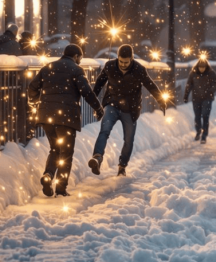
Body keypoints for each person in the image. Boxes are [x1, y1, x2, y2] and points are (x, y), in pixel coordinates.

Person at [27, 44, 103, 196]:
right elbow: (86, 91)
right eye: (80, 58)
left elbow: (32, 86)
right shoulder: (76, 70)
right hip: (66, 117)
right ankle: (61, 189)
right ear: (76, 56)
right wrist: (98, 108)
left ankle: (48, 175)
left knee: (55, 149)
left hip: (46, 117)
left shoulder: (48, 67)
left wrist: (37, 100)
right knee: (66, 153)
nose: (80, 61)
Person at [88, 45, 168, 176]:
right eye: (120, 61)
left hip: (130, 109)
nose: (123, 65)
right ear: (117, 58)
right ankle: (97, 158)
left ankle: (122, 166)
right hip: (112, 104)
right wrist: (93, 100)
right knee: (104, 130)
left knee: (129, 139)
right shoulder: (109, 66)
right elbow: (99, 83)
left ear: (131, 59)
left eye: (126, 62)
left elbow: (150, 85)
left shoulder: (139, 69)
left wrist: (161, 100)